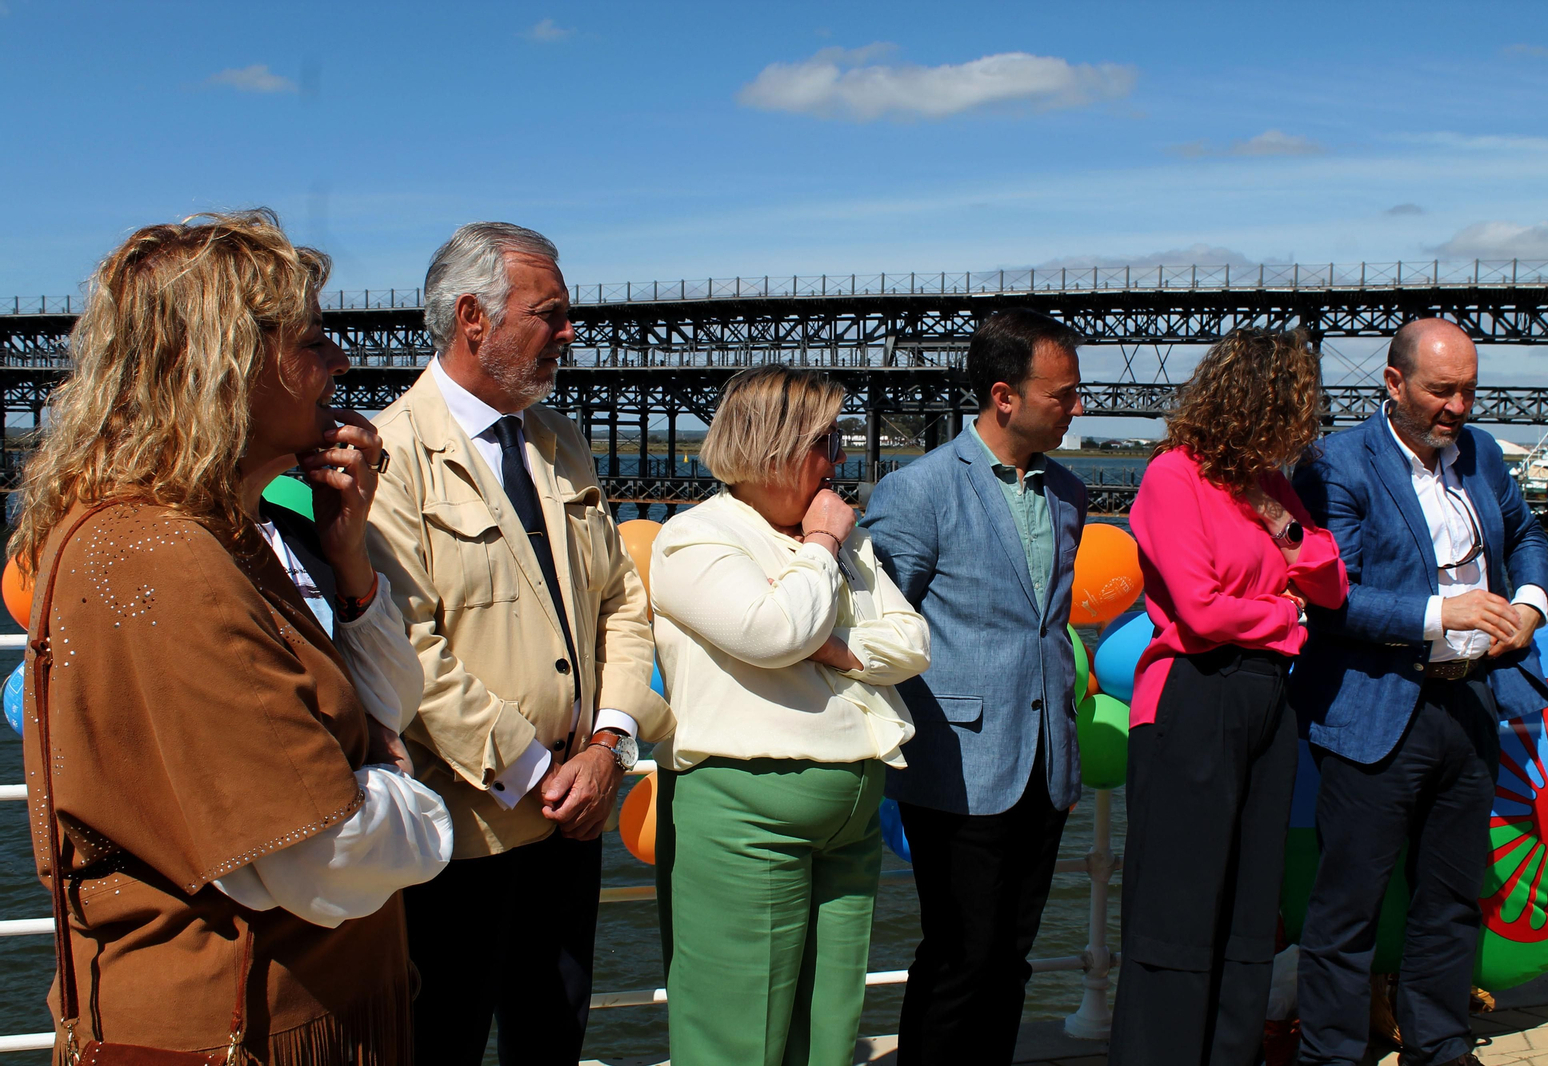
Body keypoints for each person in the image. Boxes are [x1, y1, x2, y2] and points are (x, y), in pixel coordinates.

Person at [12, 210, 451, 1062]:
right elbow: (317, 851)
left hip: (303, 1011)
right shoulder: (159, 557)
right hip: (238, 1032)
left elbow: (390, 701)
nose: (342, 362)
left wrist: (348, 553)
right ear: (224, 363)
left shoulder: (225, 530)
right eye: (313, 340)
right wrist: (414, 794)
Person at [365, 221, 670, 1066]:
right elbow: (406, 647)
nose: (571, 333)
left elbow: (621, 601)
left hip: (572, 816)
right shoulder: (390, 455)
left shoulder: (559, 440)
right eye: (552, 313)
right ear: (473, 318)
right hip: (463, 834)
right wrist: (538, 773)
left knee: (553, 1033)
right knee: (443, 1038)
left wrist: (609, 745)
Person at [647, 364, 928, 1066]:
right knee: (737, 1027)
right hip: (749, 815)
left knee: (828, 1024)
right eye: (825, 442)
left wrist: (828, 645)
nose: (838, 461)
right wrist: (823, 547)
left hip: (849, 814)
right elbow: (772, 632)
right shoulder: (697, 538)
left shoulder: (833, 538)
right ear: (773, 447)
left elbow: (912, 643)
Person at [1291, 318, 1548, 1066]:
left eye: (1469, 389)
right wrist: (1443, 613)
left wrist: (1528, 605)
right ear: (1393, 383)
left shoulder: (1483, 452)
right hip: (1376, 708)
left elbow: (1527, 533)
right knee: (1348, 906)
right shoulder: (1336, 464)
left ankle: (1438, 1042)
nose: (1459, 407)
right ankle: (1331, 1055)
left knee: (1452, 896)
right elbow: (1330, 595)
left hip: (1470, 703)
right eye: (1442, 390)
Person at [1108, 329, 1348, 1065]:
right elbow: (1203, 613)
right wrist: (1286, 612)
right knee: (1176, 913)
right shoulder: (1172, 478)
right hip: (1194, 697)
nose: (1296, 437)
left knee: (1251, 908)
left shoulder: (1269, 489)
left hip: (1266, 699)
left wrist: (1285, 534)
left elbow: (1333, 580)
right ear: (1254, 405)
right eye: (1290, 418)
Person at [861, 307, 1088, 1066]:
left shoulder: (1069, 495)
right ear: (1004, 396)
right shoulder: (919, 492)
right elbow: (878, 624)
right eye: (1063, 394)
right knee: (960, 956)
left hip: (1046, 761)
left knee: (1011, 958)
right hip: (957, 764)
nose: (1076, 407)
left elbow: (1041, 626)